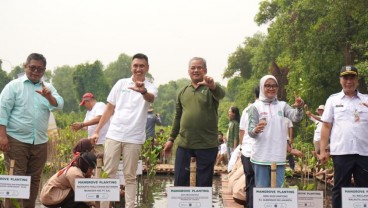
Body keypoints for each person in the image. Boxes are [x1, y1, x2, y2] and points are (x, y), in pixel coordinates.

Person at [90, 53, 157, 208]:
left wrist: (142, 91)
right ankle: (105, 206)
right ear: (131, 67)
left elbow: (151, 98)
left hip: (134, 138)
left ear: (147, 68)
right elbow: (109, 108)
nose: (138, 68)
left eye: (142, 66)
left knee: (130, 176)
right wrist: (97, 131)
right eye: (135, 65)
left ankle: (130, 206)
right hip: (114, 134)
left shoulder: (150, 86)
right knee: (109, 173)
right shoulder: (121, 84)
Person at [0, 53, 64, 208]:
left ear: (44, 70)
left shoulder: (47, 87)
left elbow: (59, 104)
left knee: (34, 179)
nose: (36, 72)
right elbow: (2, 111)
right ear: (25, 66)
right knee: (16, 178)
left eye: (40, 69)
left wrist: (49, 97)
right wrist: (2, 136)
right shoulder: (14, 86)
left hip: (40, 141)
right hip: (16, 140)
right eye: (32, 68)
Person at [163, 57, 226, 187]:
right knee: (180, 181)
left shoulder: (211, 89)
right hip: (185, 143)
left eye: (199, 67)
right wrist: (171, 138)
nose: (196, 70)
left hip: (207, 144)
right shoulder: (183, 91)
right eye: (193, 68)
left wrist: (212, 85)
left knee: (204, 183)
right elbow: (178, 116)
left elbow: (221, 94)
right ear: (188, 71)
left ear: (205, 70)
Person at [319, 66, 368, 208]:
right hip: (341, 152)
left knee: (364, 189)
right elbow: (326, 126)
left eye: (352, 77)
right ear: (340, 80)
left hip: (364, 152)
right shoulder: (333, 100)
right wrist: (322, 150)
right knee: (339, 189)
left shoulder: (366, 99)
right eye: (345, 78)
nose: (349, 81)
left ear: (357, 80)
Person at [248, 75, 304, 188]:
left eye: (274, 86)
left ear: (277, 88)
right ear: (261, 87)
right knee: (262, 191)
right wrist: (256, 130)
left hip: (278, 156)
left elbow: (295, 118)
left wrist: (298, 108)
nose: (271, 88)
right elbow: (250, 131)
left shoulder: (282, 106)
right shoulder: (255, 107)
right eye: (267, 85)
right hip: (261, 156)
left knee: (279, 191)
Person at [239, 85, 259, 208]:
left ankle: (249, 205)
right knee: (259, 183)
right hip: (259, 153)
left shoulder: (246, 109)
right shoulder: (265, 109)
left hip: (246, 151)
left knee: (249, 181)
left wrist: (242, 147)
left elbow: (241, 131)